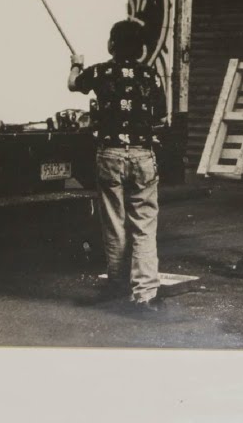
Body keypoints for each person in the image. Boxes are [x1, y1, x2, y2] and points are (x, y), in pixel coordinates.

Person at [68, 19, 169, 313]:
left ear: (112, 44)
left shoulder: (100, 72)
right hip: (143, 156)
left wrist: (76, 64)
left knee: (114, 223)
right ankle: (145, 293)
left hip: (110, 155)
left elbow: (74, 84)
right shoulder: (151, 76)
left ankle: (116, 284)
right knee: (144, 225)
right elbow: (161, 117)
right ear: (141, 49)